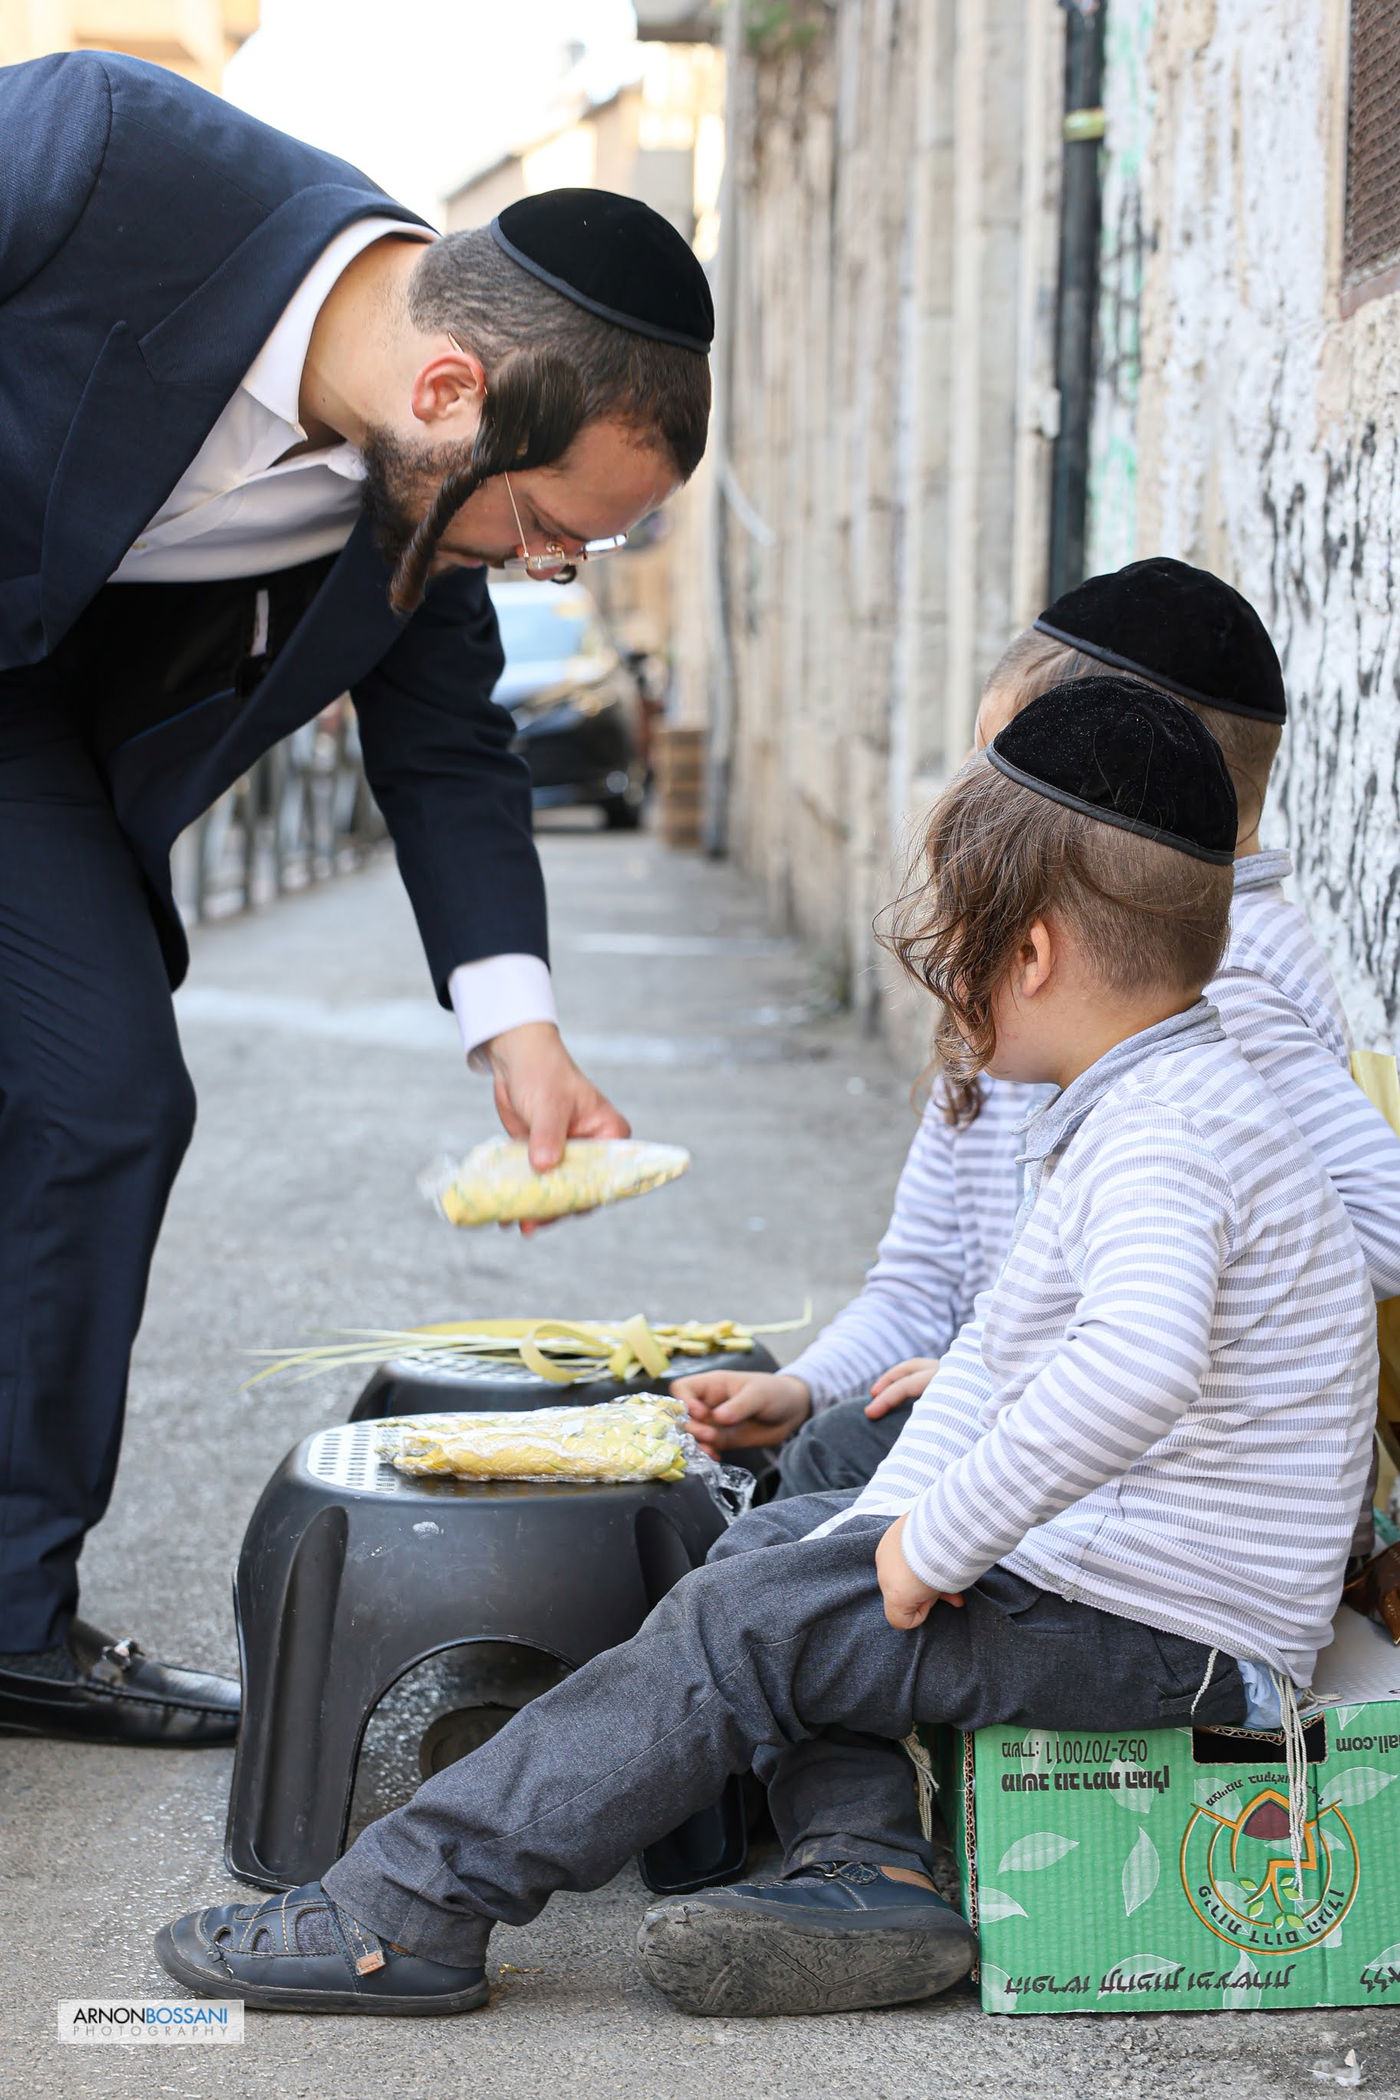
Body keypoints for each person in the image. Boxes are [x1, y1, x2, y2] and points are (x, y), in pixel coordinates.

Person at [154, 679, 1377, 2020]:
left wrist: (926, 1544)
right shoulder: (1137, 1102)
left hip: (1176, 1641)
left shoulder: (1165, 1135)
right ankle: (866, 1877)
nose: (946, 992)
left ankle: (408, 1908)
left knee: (759, 1620)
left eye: (954, 950)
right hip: (1121, 1589)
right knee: (772, 1562)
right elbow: (994, 1364)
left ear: (1026, 955)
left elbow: (1132, 1369)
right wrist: (870, 1530)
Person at [0, 51, 713, 1746]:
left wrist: (519, 1035)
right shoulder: (94, 158)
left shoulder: (417, 498)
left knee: (102, 1097)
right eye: (547, 526)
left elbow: (450, 748)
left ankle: (8, 1616)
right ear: (454, 386)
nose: (547, 569)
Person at [677, 558, 1400, 1495]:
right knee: (811, 1458)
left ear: (1123, 779)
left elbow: (1360, 1235)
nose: (975, 792)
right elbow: (925, 1278)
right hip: (994, 1423)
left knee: (808, 1510)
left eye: (1006, 760)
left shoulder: (1218, 988)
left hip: (1119, 1495)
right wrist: (810, 1382)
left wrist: (1042, 1386)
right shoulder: (1019, 976)